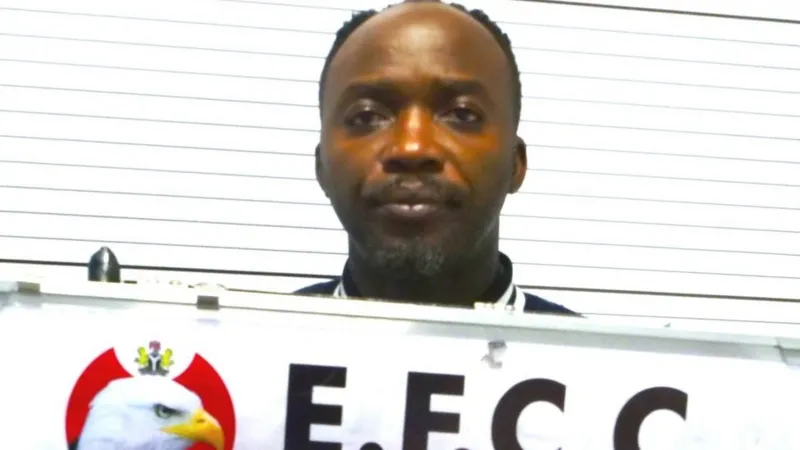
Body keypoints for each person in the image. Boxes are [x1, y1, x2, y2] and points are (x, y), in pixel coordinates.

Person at [296, 0, 576, 315]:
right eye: (366, 117)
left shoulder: (591, 348)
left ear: (516, 163)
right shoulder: (256, 341)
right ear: (321, 166)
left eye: (462, 114)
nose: (412, 148)